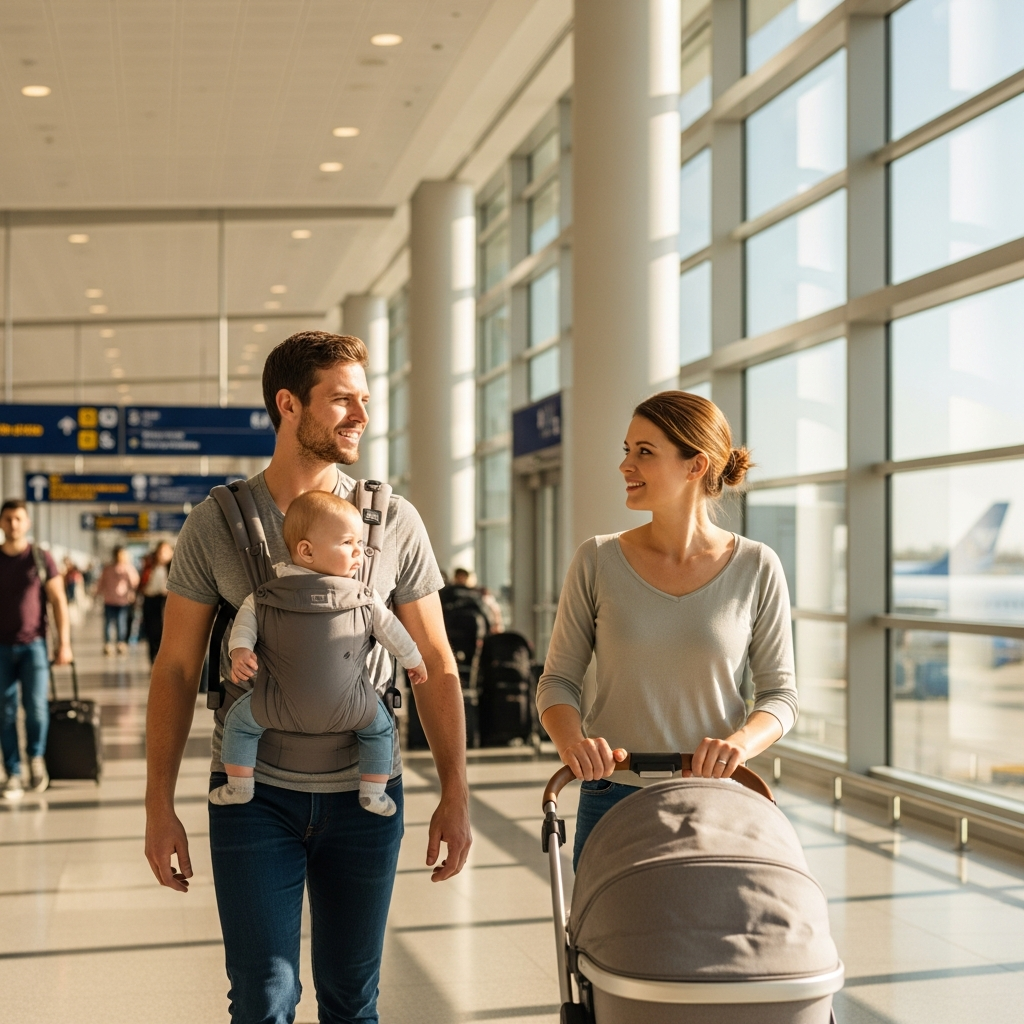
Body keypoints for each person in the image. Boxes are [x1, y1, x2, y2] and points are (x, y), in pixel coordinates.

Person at [145, 331, 472, 1024]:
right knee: (263, 997)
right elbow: (174, 669)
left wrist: (456, 793)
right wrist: (156, 805)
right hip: (252, 796)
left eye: (366, 399)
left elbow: (435, 663)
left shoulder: (393, 522)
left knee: (353, 1002)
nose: (361, 414)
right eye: (342, 400)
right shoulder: (216, 523)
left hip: (365, 795)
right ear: (288, 405)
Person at [536, 391, 798, 869]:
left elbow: (781, 697)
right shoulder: (596, 560)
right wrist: (573, 742)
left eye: (644, 452)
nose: (625, 466)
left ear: (695, 466)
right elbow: (557, 682)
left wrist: (739, 745)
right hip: (612, 796)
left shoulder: (757, 566)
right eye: (627, 449)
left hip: (718, 800)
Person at [210, 489, 428, 814]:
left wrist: (239, 652)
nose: (359, 553)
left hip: (274, 705)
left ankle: (239, 785)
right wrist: (413, 660)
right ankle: (373, 791)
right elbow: (393, 633)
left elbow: (244, 626)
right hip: (353, 707)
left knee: (238, 725)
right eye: (347, 543)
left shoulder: (265, 595)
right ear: (306, 551)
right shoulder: (365, 597)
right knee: (381, 730)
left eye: (360, 544)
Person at [0, 499, 74, 799]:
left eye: (18, 519)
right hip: (1, 649)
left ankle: (36, 759)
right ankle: (13, 773)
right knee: (4, 712)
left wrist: (64, 643)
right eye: (8, 519)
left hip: (34, 646)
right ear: (2, 523)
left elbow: (58, 600)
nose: (13, 524)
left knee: (36, 709)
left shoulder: (40, 559)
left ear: (27, 523)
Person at [97, 547, 140, 655]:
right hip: (109, 600)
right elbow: (102, 582)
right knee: (108, 624)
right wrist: (98, 593)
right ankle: (108, 644)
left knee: (121, 623)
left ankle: (120, 643)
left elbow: (135, 583)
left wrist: (127, 571)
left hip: (123, 601)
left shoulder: (128, 568)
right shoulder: (108, 568)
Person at [140, 541, 172, 663]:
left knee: (165, 632)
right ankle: (153, 661)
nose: (163, 555)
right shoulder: (149, 567)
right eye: (161, 551)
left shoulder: (174, 568)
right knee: (152, 632)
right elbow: (142, 583)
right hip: (151, 600)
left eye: (166, 551)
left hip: (166, 601)